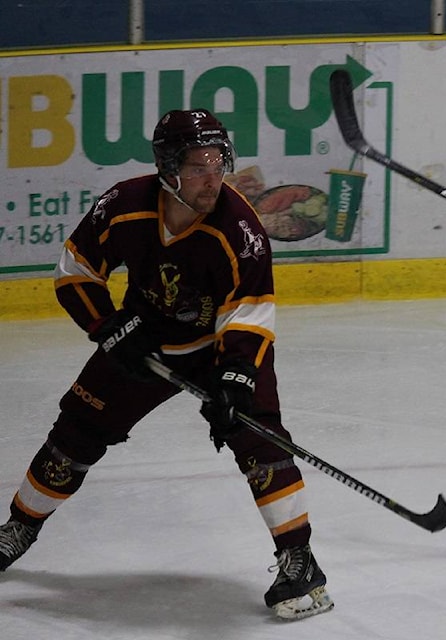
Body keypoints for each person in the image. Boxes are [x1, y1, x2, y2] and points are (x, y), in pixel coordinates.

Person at [0, 109, 332, 619]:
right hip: (144, 338)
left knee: (258, 436)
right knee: (75, 433)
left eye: (219, 162)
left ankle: (299, 560)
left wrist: (236, 379)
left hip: (217, 345)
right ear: (168, 168)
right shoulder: (124, 204)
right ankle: (19, 527)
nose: (212, 177)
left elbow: (249, 312)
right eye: (199, 166)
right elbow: (75, 270)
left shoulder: (240, 229)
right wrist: (109, 329)